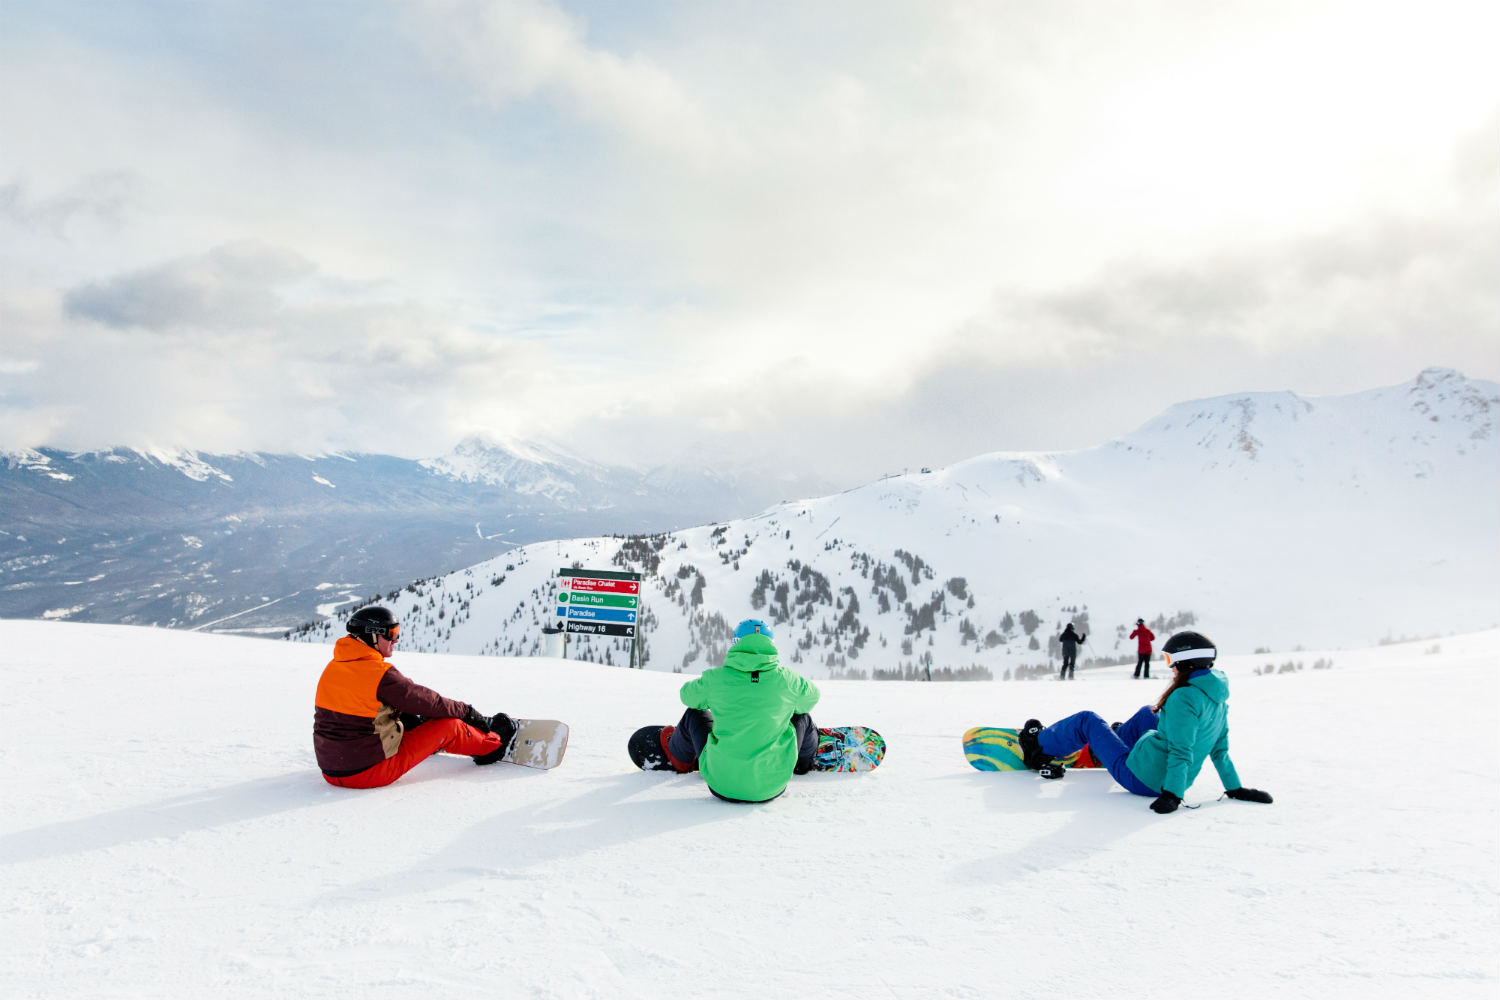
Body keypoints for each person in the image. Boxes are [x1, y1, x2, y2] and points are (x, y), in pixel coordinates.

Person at [1016, 630, 1273, 814]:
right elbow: (1219, 750)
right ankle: (1105, 747)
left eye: (1171, 660)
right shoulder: (1215, 697)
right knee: (1147, 714)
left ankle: (1037, 746)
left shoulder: (1183, 697)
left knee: (1087, 720)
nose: (1170, 667)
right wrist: (1235, 789)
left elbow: (1181, 751)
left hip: (1143, 779)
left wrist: (1172, 796)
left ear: (1188, 661)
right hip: (1157, 769)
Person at [313, 605, 517, 788]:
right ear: (373, 636)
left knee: (400, 710)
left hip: (331, 772)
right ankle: (492, 747)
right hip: (368, 772)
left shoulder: (334, 667)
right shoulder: (379, 674)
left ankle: (421, 733)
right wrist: (467, 712)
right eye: (392, 633)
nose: (396, 640)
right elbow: (431, 702)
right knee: (449, 725)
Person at [659, 619, 820, 803]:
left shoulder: (716, 679)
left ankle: (680, 757)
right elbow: (811, 698)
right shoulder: (787, 680)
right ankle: (803, 762)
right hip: (772, 785)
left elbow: (686, 696)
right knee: (802, 717)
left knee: (693, 713)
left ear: (735, 644)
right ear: (771, 645)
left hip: (721, 784)